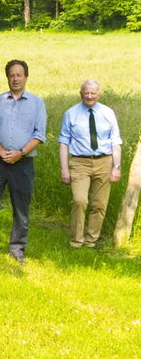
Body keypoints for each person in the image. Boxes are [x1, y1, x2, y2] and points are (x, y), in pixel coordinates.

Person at [0, 59, 47, 263]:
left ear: (26, 77)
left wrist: (21, 152)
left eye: (19, 75)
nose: (15, 78)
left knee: (21, 208)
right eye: (12, 75)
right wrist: (0, 150)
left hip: (23, 164)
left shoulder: (37, 103)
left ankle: (17, 249)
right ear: (7, 77)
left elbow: (40, 134)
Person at [58, 79, 122, 248]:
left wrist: (116, 167)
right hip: (79, 163)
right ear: (81, 94)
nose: (89, 96)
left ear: (98, 94)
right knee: (80, 201)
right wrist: (64, 168)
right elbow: (64, 142)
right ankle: (76, 241)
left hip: (104, 162)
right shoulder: (70, 114)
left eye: (93, 93)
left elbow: (115, 142)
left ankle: (90, 240)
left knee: (99, 204)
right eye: (86, 92)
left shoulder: (108, 113)